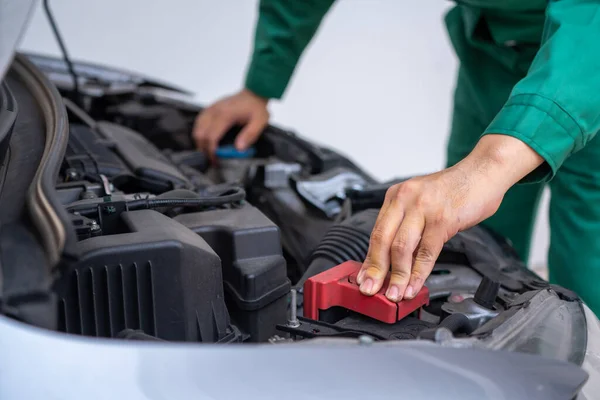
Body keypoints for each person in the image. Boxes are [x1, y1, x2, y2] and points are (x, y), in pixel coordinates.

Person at [193, 0, 600, 315]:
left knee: (587, 274)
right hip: (488, 53)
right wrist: (260, 83)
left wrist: (489, 165)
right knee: (479, 247)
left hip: (587, 60)